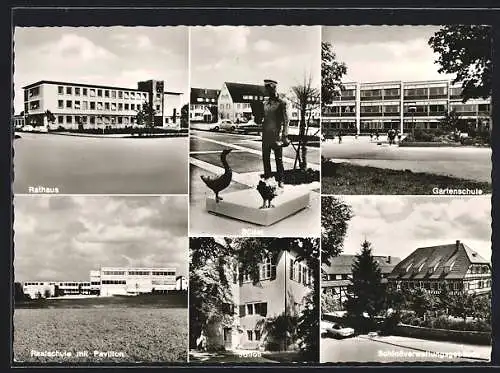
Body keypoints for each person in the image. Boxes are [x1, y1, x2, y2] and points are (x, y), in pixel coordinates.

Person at [260, 79, 289, 188]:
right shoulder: (265, 104)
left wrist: (285, 136)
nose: (266, 91)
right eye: (265, 89)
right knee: (265, 159)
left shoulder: (281, 103)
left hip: (276, 135)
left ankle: (281, 180)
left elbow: (286, 120)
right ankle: (268, 180)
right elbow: (262, 119)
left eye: (268, 88)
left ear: (273, 88)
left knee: (278, 159)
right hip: (266, 135)